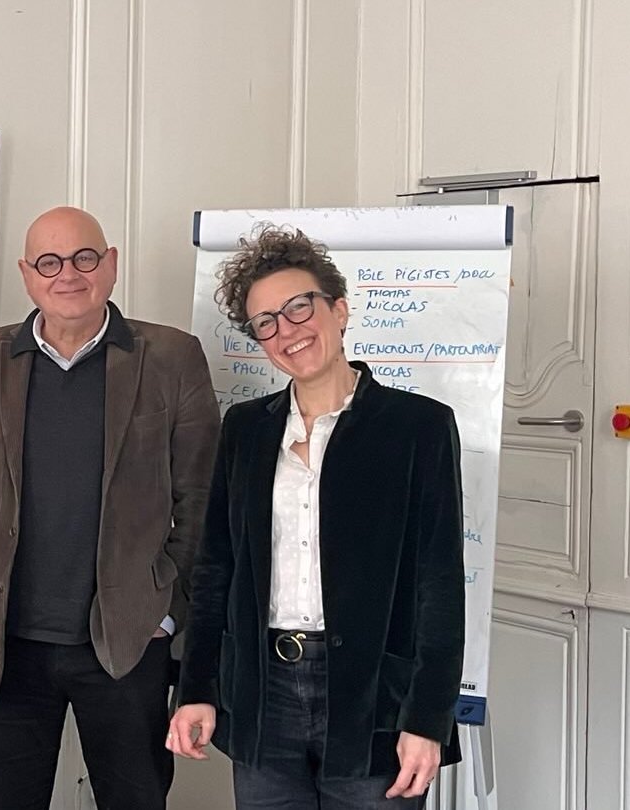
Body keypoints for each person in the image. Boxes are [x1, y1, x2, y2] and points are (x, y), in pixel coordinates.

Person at [0, 206, 220, 809]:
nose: (68, 275)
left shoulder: (172, 356)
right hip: (8, 642)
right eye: (49, 263)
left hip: (129, 641)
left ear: (110, 264)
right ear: (27, 274)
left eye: (84, 258)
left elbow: (203, 500)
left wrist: (169, 612)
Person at [167, 226, 465, 809]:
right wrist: (196, 687)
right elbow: (215, 570)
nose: (287, 330)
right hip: (263, 692)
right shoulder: (245, 430)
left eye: (299, 307)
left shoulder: (418, 427)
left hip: (371, 698)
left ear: (340, 310)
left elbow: (439, 585)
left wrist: (427, 718)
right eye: (266, 322)